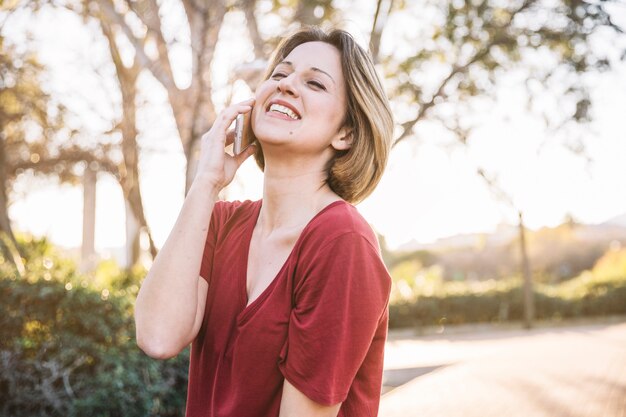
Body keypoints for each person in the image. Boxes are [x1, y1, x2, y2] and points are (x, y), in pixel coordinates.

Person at [134, 25, 394, 417]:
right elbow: (157, 336)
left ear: (346, 133)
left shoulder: (343, 241)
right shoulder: (220, 221)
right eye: (279, 74)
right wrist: (207, 182)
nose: (286, 85)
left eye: (315, 84)